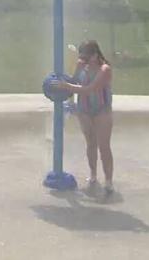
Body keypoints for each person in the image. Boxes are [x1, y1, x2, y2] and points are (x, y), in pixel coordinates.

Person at [55, 39, 114, 194]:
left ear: (95, 55)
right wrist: (67, 79)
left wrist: (67, 86)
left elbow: (90, 89)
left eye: (86, 58)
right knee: (90, 143)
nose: (83, 61)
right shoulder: (82, 66)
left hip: (102, 110)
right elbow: (74, 81)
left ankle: (108, 180)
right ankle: (93, 175)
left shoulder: (105, 69)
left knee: (104, 146)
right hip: (84, 109)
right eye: (81, 57)